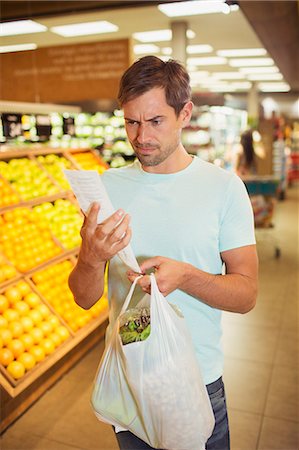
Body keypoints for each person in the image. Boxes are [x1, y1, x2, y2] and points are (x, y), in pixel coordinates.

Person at [69, 55, 258, 450]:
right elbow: (85, 298)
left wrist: (186, 277)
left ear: (184, 113)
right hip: (130, 376)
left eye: (155, 121)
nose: (141, 137)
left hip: (197, 381)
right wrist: (90, 256)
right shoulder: (106, 187)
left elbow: (246, 294)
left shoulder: (223, 188)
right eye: (131, 122)